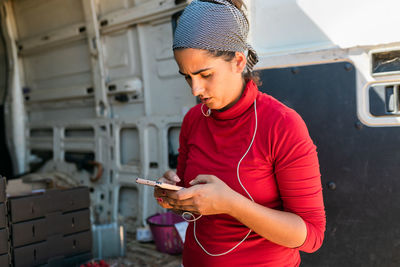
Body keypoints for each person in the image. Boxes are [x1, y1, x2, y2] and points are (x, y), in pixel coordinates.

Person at [154, 0, 326, 266]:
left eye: (205, 74)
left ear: (238, 61)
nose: (195, 90)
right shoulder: (193, 120)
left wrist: (232, 204)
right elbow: (195, 193)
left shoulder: (282, 125)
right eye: (187, 77)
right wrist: (175, 191)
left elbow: (311, 236)